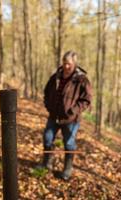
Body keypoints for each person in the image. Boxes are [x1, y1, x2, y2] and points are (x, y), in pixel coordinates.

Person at [38, 50, 92, 180]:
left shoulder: (81, 80)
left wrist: (73, 111)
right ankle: (47, 164)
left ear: (74, 64)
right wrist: (48, 105)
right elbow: (46, 91)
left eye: (68, 64)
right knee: (47, 138)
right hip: (54, 116)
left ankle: (67, 170)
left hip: (71, 120)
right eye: (64, 63)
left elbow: (86, 100)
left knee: (68, 143)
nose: (66, 66)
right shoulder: (56, 76)